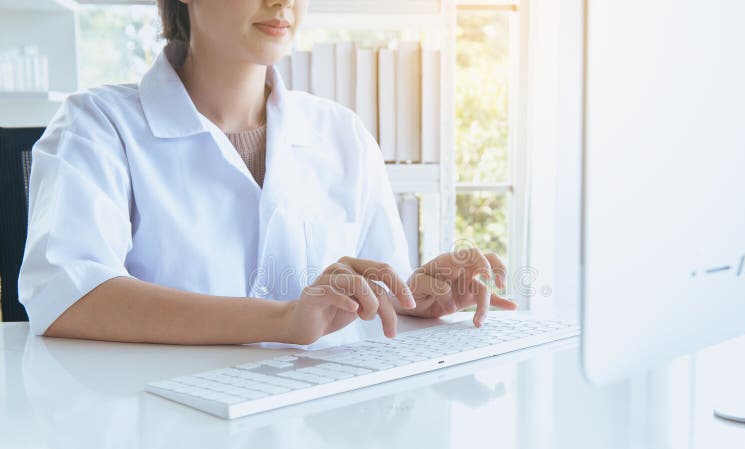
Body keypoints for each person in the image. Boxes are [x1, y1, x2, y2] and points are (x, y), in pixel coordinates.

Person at [18, 0, 516, 347]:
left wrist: (415, 299)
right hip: (166, 437)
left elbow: (373, 296)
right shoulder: (98, 125)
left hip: (313, 445)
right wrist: (282, 320)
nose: (283, 2)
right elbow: (67, 294)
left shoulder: (342, 133)